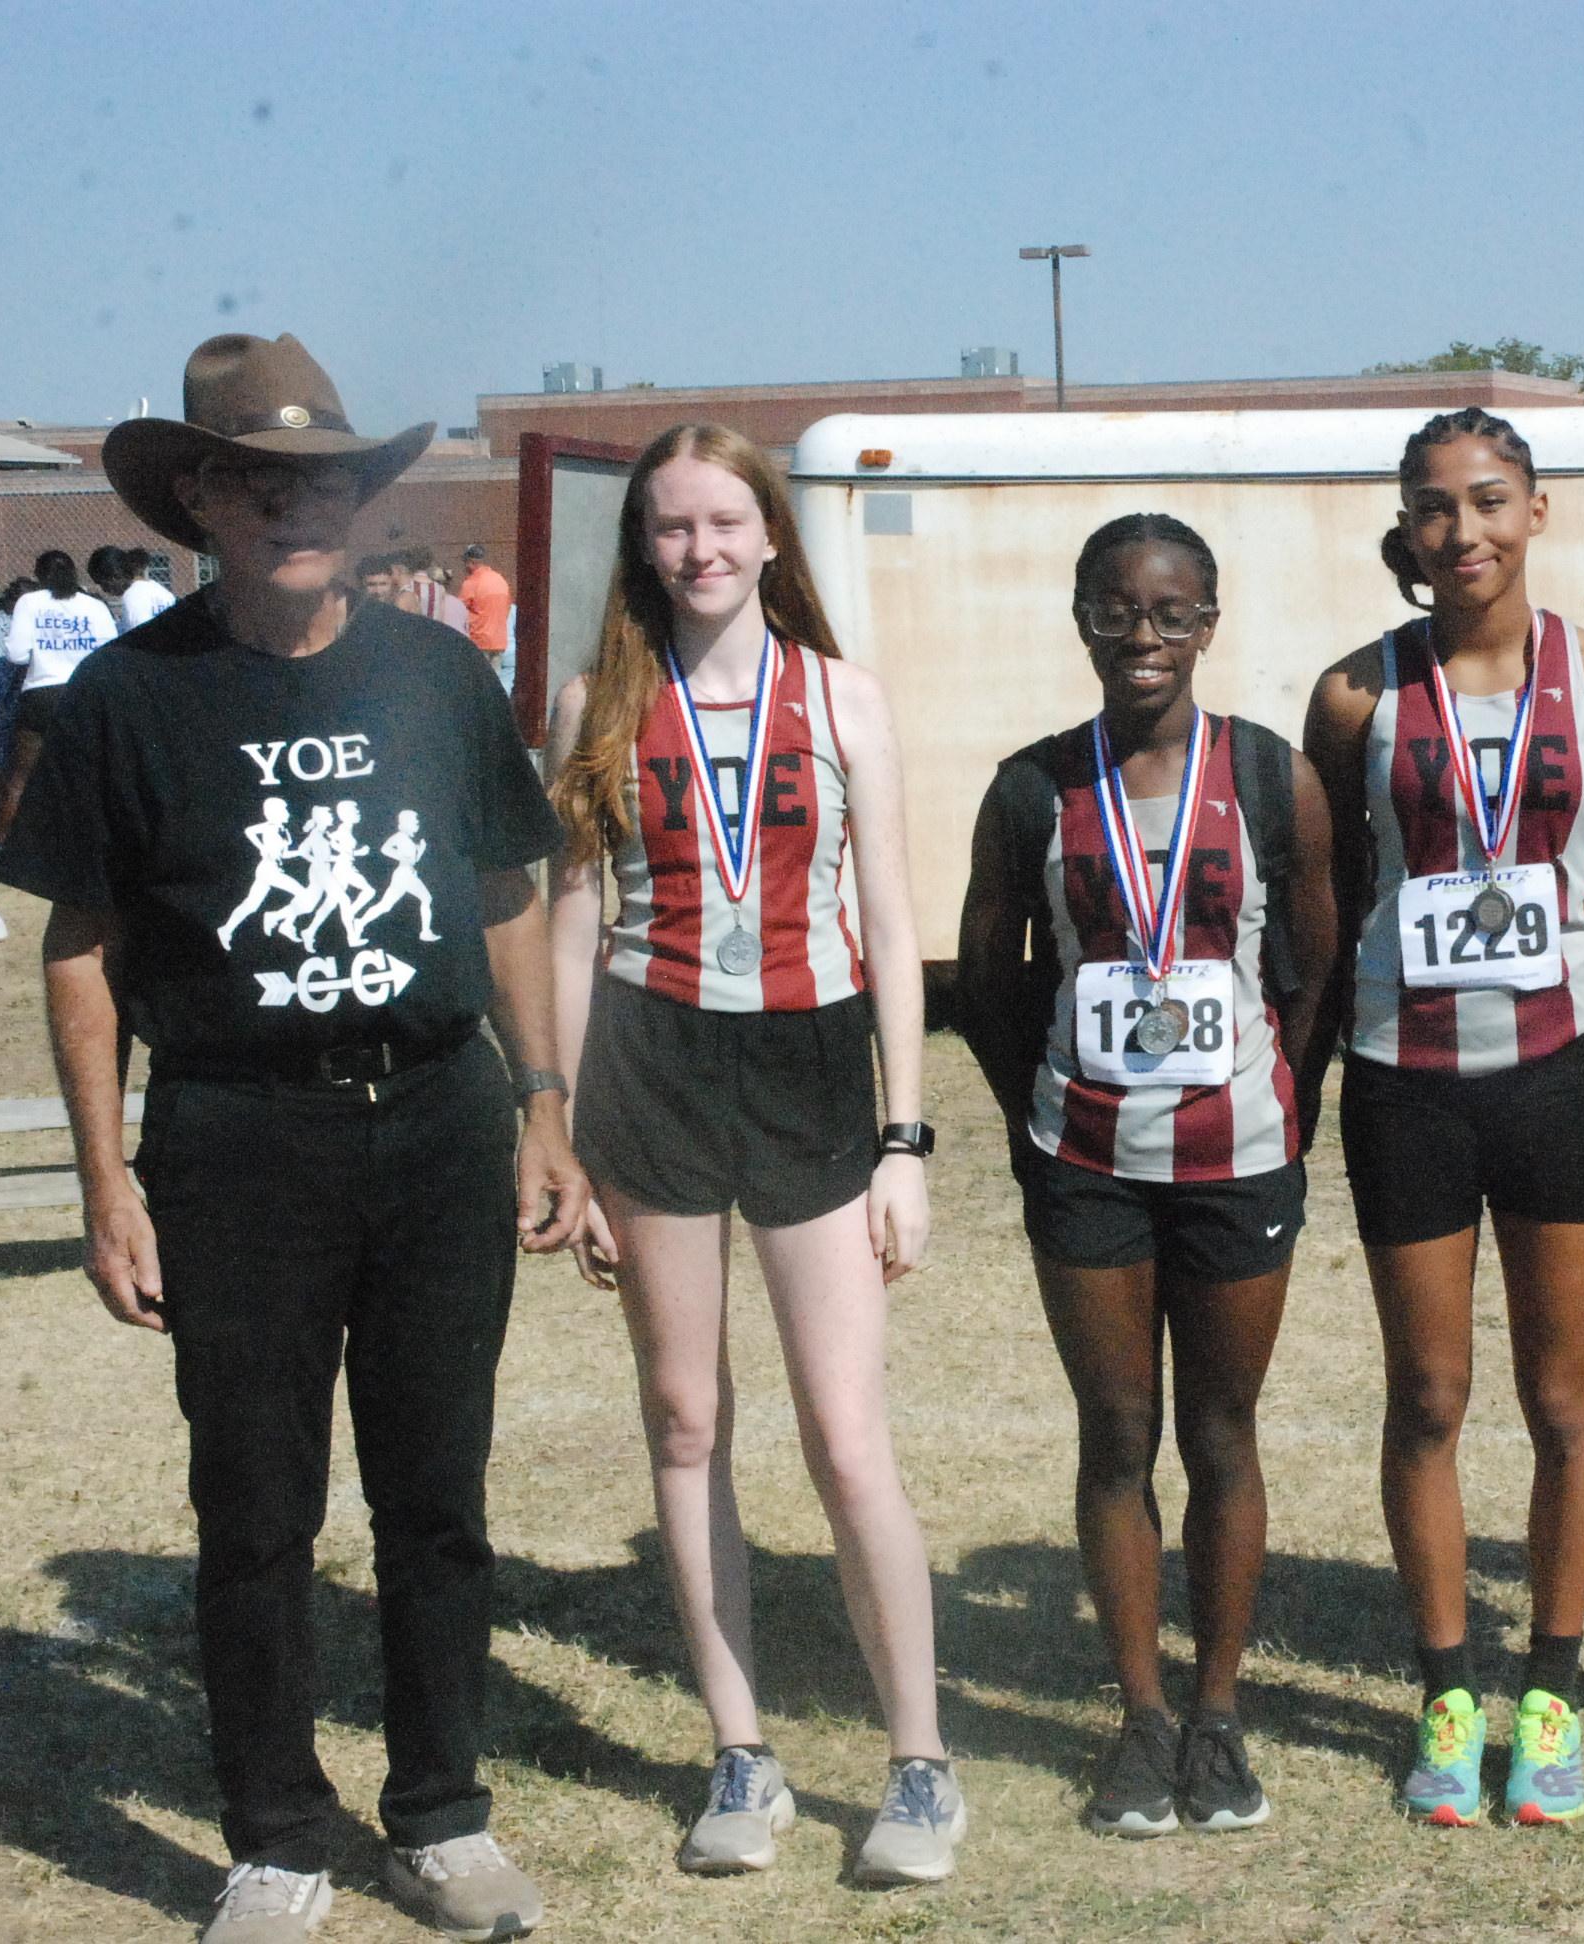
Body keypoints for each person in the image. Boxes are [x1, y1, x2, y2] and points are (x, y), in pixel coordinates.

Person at [0, 332, 583, 1943]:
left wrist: (543, 1104)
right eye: (257, 480)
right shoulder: (129, 695)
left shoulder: (435, 673)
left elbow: (509, 891)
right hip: (237, 1137)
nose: (294, 506)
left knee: (435, 1496)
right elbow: (81, 949)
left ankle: (442, 1817)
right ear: (201, 498)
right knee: (255, 1511)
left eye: (321, 477)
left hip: (439, 1120)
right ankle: (274, 1836)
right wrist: (108, 1180)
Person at [544, 422, 962, 1884]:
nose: (700, 550)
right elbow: (578, 921)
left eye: (726, 523)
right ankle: (743, 1749)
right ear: (641, 545)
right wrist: (573, 1138)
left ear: (772, 536)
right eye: (672, 527)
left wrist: (903, 1139)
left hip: (808, 1068)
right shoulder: (597, 703)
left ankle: (918, 1761)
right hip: (652, 1074)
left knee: (846, 1437)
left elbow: (900, 928)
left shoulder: (842, 697)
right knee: (681, 1418)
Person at [1300, 407, 1584, 1828]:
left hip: (1559, 1076)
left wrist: (1565, 988)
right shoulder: (1353, 698)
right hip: (1404, 1081)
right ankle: (1450, 1691)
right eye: (1439, 508)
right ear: (1407, 530)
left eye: (1492, 501)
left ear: (1538, 511)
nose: (1466, 533)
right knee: (1431, 1397)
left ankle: (1553, 1690)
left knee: (1562, 1395)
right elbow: (1331, 907)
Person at [958, 514, 1339, 1840]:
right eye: (1118, 610)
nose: (1143, 637)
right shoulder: (1030, 788)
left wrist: (1276, 1102)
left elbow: (1315, 964)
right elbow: (993, 981)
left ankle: (1220, 1714)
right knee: (1117, 1439)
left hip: (1238, 1158)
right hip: (1088, 1165)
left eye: (1172, 613)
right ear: (1081, 619)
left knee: (1222, 1435)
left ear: (1209, 625)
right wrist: (1041, 1118)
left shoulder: (1275, 778)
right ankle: (1139, 1721)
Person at [0, 548, 119, 852]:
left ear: (38, 575)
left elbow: (16, 654)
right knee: (89, 775)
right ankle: (91, 847)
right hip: (83, 694)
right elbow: (110, 652)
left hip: (41, 694)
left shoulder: (30, 603)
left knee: (21, 776)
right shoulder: (94, 606)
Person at [459, 542, 514, 690]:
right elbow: (507, 608)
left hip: (478, 640)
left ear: (472, 562)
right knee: (495, 684)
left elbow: (459, 610)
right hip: (498, 640)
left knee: (477, 685)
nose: (465, 567)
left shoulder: (471, 583)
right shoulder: (500, 580)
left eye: (466, 562)